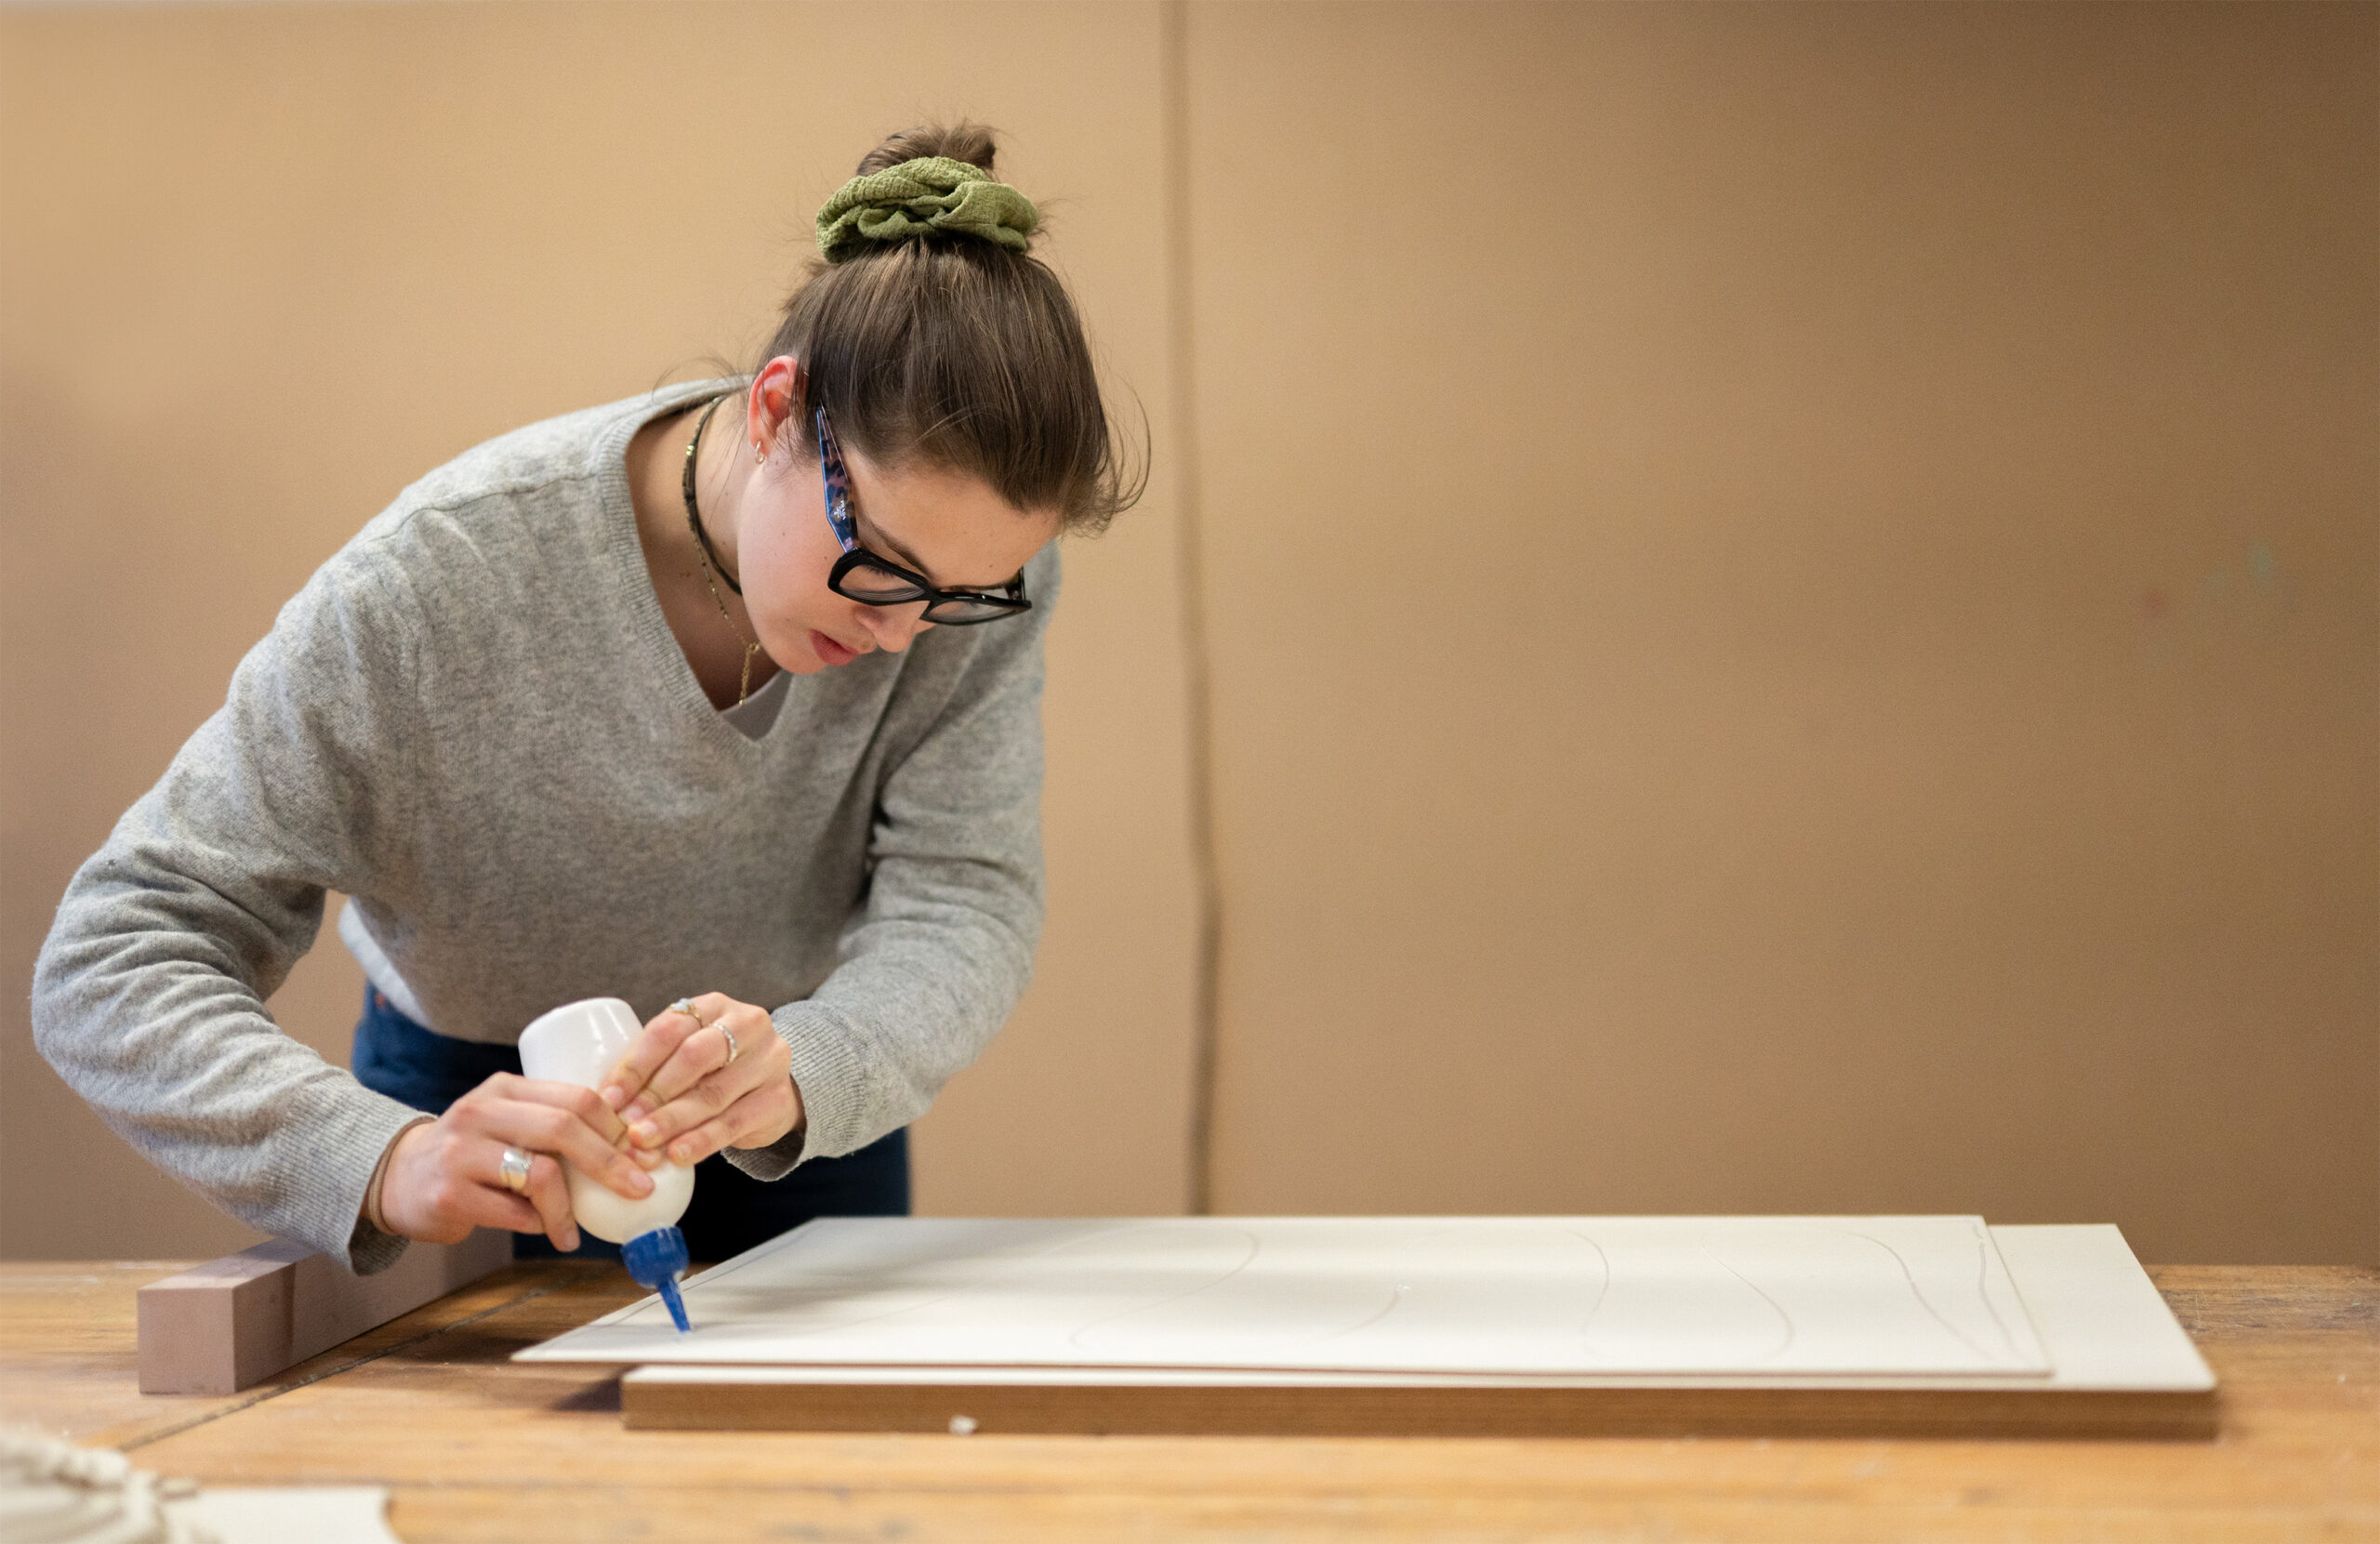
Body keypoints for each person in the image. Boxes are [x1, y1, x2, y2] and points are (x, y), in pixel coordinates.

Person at [30, 123, 1138, 1273]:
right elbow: (111, 955)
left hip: (796, 1113)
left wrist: (812, 1066)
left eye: (963, 594)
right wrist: (376, 1155)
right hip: (475, 1134)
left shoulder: (957, 582)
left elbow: (964, 895)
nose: (906, 631)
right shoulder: (441, 582)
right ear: (773, 412)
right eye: (883, 567)